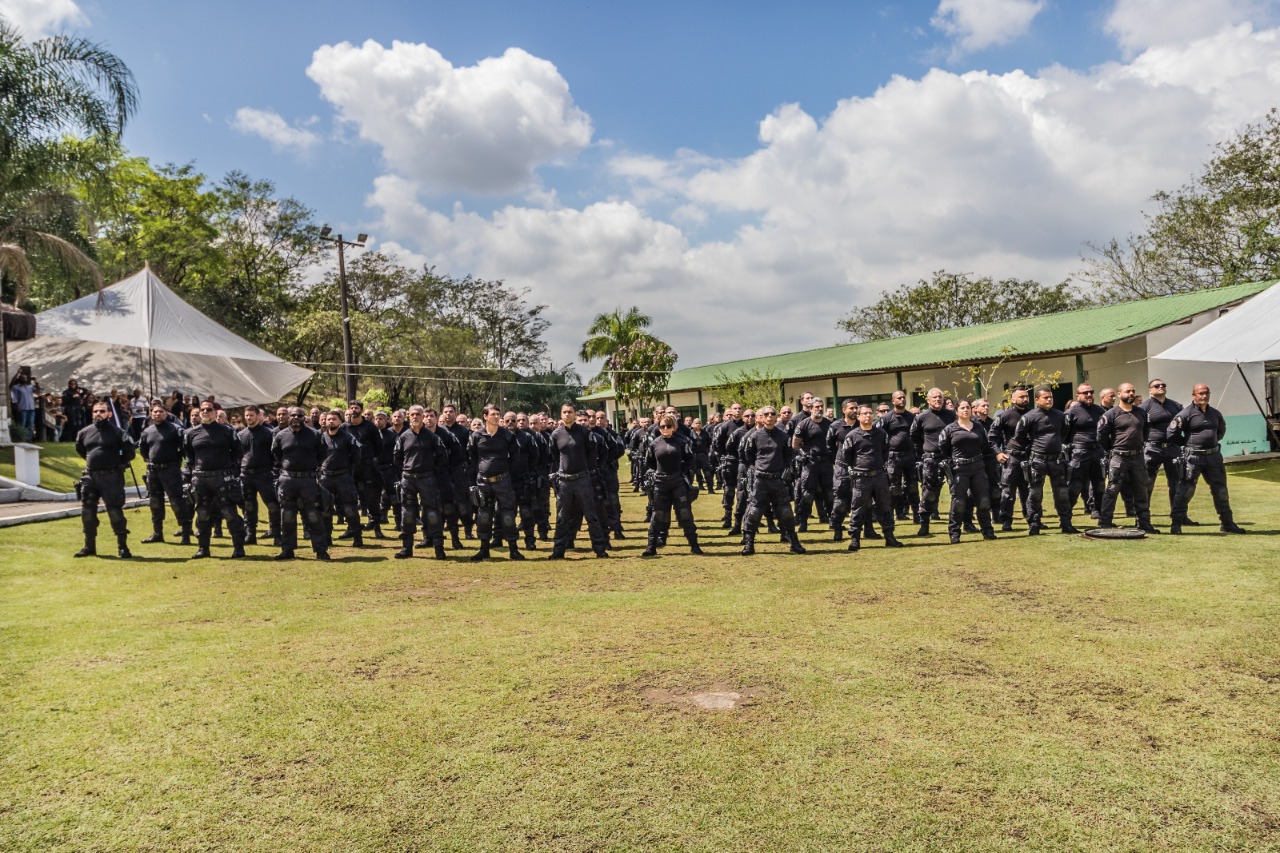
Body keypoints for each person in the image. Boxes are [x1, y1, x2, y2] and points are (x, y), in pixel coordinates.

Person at [1168, 384, 1246, 535]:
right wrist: (1186, 444)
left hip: (1214, 457)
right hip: (1193, 458)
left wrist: (1212, 441)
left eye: (1206, 393)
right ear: (1194, 395)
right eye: (1200, 393)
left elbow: (1221, 430)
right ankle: (1176, 524)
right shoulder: (1185, 414)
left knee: (1221, 491)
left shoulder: (1215, 413)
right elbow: (1171, 434)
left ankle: (1227, 524)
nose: (1204, 396)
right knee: (1186, 490)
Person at [183, 400, 248, 558]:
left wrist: (232, 471)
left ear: (215, 411)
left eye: (209, 409)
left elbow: (238, 452)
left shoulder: (227, 431)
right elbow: (189, 456)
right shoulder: (191, 433)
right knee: (203, 514)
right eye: (203, 410)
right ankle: (203, 548)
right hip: (201, 479)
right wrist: (191, 475)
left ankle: (238, 548)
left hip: (222, 478)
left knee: (229, 513)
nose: (205, 412)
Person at [74, 400, 136, 558]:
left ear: (109, 414)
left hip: (111, 477)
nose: (98, 414)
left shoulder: (118, 432)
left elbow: (128, 452)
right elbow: (82, 450)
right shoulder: (84, 432)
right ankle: (89, 546)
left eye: (102, 411)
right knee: (87, 512)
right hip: (90, 477)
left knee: (115, 512)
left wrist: (117, 459)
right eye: (95, 411)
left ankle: (123, 547)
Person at [548, 403, 611, 559]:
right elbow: (554, 456)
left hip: (583, 479)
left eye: (570, 412)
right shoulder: (556, 435)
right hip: (564, 482)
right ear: (561, 415)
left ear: (575, 414)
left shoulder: (584, 432)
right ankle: (558, 551)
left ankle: (600, 549)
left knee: (592, 516)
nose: (567, 414)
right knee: (562, 518)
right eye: (565, 412)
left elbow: (592, 453)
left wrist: (588, 472)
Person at [1012, 385, 1077, 535]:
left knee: (1062, 494)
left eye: (1051, 397)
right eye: (1045, 397)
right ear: (1037, 400)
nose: (1049, 400)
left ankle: (1066, 524)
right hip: (1037, 460)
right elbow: (1020, 436)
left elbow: (1065, 433)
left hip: (1057, 461)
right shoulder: (1029, 417)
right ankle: (1034, 524)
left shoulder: (1061, 416)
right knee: (1035, 494)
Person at [740, 406, 804, 555]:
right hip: (760, 480)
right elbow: (747, 456)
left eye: (772, 414)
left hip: (777, 480)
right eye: (766, 414)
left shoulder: (783, 436)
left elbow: (789, 455)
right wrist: (755, 470)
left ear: (776, 418)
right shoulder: (754, 436)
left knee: (785, 512)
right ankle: (749, 544)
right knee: (754, 512)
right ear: (761, 418)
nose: (769, 417)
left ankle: (794, 542)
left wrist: (784, 471)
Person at [838, 403, 903, 550]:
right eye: (865, 414)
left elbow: (885, 452)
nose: (868, 416)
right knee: (858, 509)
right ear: (859, 416)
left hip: (879, 476)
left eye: (870, 413)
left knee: (885, 507)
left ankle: (889, 536)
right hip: (861, 478)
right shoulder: (852, 436)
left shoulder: (881, 434)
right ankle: (855, 539)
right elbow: (847, 457)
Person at [1096, 383, 1159, 533]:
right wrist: (1112, 449)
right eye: (1127, 391)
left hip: (1137, 457)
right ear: (1119, 394)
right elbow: (1101, 436)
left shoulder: (1141, 413)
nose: (1131, 393)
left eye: (1133, 391)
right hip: (1119, 457)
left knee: (1141, 490)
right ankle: (1105, 522)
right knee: (1112, 490)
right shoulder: (1110, 414)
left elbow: (1146, 431)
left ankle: (1144, 523)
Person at [270, 407, 330, 560]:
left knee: (313, 516)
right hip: (287, 481)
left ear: (305, 417)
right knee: (287, 516)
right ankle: (287, 550)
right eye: (293, 415)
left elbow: (323, 453)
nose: (296, 417)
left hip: (308, 481)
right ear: (289, 417)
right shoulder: (280, 436)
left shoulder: (315, 435)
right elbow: (276, 455)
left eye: (299, 415)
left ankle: (321, 550)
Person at [467, 405, 525, 561]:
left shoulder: (507, 435)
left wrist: (508, 474)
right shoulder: (476, 436)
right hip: (483, 482)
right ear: (485, 416)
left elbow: (515, 457)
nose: (496, 417)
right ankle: (484, 549)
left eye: (498, 414)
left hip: (503, 481)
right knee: (484, 516)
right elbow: (472, 458)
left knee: (508, 516)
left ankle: (513, 549)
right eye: (493, 414)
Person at [934, 399, 996, 544]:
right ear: (956, 411)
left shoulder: (978, 427)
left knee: (983, 502)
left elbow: (985, 447)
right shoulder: (950, 429)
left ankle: (987, 531)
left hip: (978, 467)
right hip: (959, 470)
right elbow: (942, 449)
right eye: (962, 408)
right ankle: (954, 533)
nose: (965, 410)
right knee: (958, 503)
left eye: (968, 407)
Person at [393, 405, 450, 560]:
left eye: (418, 414)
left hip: (428, 479)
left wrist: (433, 472)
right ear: (408, 417)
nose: (415, 417)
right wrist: (405, 472)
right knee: (408, 514)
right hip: (408, 479)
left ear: (423, 416)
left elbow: (442, 457)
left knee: (432, 514)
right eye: (412, 414)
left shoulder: (432, 437)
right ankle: (406, 548)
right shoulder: (403, 437)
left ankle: (439, 548)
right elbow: (397, 458)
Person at [641, 414, 702, 556]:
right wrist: (652, 473)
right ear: (659, 428)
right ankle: (651, 547)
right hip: (660, 483)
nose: (665, 429)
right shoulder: (654, 444)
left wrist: (683, 473)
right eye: (662, 426)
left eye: (668, 426)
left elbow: (690, 460)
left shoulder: (682, 442)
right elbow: (648, 463)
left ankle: (694, 545)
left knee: (685, 514)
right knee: (658, 515)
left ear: (674, 427)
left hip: (677, 482)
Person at [1140, 378, 1193, 522]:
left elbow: (1184, 425)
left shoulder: (1175, 406)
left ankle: (1179, 516)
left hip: (1172, 448)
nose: (1161, 387)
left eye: (1163, 385)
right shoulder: (1144, 407)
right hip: (1152, 448)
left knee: (1177, 483)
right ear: (1150, 390)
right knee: (1147, 483)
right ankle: (1143, 518)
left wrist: (1182, 442)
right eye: (1157, 386)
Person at [139, 401, 191, 545]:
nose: (157, 414)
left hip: (171, 470)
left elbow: (185, 447)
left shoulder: (175, 429)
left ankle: (186, 534)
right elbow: (143, 450)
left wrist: (178, 460)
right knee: (155, 503)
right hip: (153, 471)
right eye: (155, 412)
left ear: (166, 414)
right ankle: (157, 533)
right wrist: (149, 460)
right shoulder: (147, 431)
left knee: (177, 501)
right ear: (151, 414)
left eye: (160, 412)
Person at [910, 387, 956, 536]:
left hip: (950, 459)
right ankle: (924, 525)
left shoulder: (952, 416)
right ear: (928, 400)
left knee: (958, 491)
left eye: (940, 397)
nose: (937, 400)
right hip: (931, 459)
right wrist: (922, 454)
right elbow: (914, 437)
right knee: (929, 493)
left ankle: (962, 523)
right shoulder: (921, 418)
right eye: (934, 397)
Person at [989, 386, 1032, 531]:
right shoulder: (1005, 416)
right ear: (1013, 399)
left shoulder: (1034, 414)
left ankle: (1032, 519)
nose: (1025, 399)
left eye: (1026, 396)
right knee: (1008, 492)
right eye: (1021, 397)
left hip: (1029, 457)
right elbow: (992, 438)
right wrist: (998, 453)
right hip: (1012, 457)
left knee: (1030, 491)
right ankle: (1006, 521)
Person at [319, 409, 364, 547]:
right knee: (325, 509)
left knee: (350, 509)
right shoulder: (320, 437)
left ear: (340, 421)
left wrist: (348, 469)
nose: (331, 421)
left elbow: (357, 456)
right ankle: (327, 538)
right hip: (325, 478)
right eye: (328, 419)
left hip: (343, 477)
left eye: (334, 419)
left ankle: (357, 537)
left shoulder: (348, 437)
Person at [238, 405, 281, 546]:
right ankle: (250, 535)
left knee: (273, 505)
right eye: (247, 415)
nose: (249, 418)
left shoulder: (268, 434)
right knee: (249, 506)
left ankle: (276, 535)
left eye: (251, 415)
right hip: (246, 476)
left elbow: (276, 455)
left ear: (258, 416)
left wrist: (274, 472)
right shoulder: (241, 435)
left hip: (264, 475)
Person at [1063, 384, 1105, 519]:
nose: (1088, 395)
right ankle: (1066, 513)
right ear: (1078, 395)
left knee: (1099, 484)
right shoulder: (1071, 412)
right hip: (1080, 452)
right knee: (1075, 485)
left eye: (1091, 392)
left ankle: (1097, 510)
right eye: (1085, 392)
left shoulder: (1099, 411)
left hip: (1097, 451)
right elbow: (1064, 434)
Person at [792, 398, 833, 532]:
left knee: (829, 493)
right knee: (807, 494)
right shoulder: (804, 424)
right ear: (811, 409)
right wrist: (804, 454)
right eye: (816, 407)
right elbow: (795, 444)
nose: (819, 409)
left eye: (821, 406)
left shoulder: (829, 424)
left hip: (826, 463)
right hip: (811, 464)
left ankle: (833, 521)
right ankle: (803, 522)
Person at [879, 390, 919, 523]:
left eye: (903, 398)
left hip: (909, 456)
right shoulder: (886, 418)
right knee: (894, 488)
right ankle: (893, 514)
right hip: (893, 457)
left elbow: (917, 435)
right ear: (893, 401)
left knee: (912, 487)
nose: (902, 400)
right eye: (899, 398)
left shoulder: (912, 417)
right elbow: (879, 436)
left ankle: (916, 515)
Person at [690, 417, 715, 494]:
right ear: (693, 424)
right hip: (694, 456)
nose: (698, 425)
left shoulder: (705, 433)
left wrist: (707, 452)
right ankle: (700, 486)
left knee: (707, 473)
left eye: (699, 423)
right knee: (697, 472)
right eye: (696, 423)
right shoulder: (690, 433)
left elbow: (709, 443)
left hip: (703, 456)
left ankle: (710, 489)